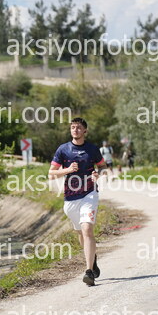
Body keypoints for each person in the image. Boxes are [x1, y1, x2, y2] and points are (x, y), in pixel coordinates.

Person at [48, 118, 107, 286]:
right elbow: (51, 174)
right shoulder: (63, 149)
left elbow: (103, 167)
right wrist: (67, 170)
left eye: (79, 128)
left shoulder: (92, 149)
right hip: (70, 199)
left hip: (89, 194)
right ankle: (92, 258)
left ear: (85, 131)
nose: (75, 130)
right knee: (81, 233)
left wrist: (99, 174)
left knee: (87, 229)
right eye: (73, 127)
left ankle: (89, 272)